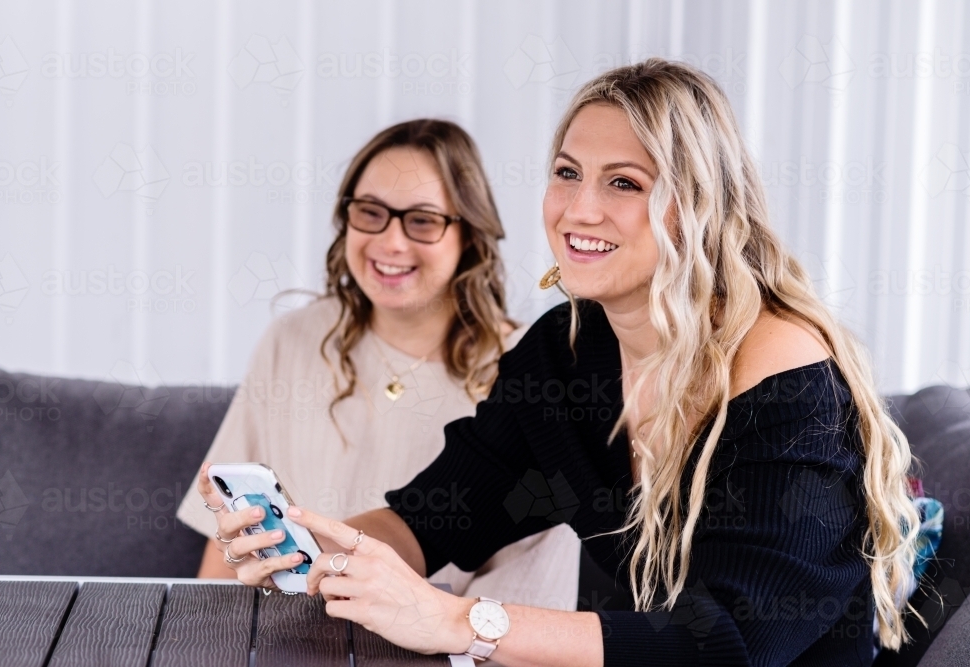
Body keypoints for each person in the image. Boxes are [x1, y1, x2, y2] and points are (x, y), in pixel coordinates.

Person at [199, 61, 920, 666]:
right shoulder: (567, 352)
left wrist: (458, 621)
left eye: (625, 183)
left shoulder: (783, 369)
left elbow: (734, 639)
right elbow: (440, 514)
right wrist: (319, 542)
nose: (578, 209)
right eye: (567, 172)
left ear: (697, 206)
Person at [178, 119, 582, 611]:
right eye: (370, 212)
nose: (391, 243)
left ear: (470, 235)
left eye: (422, 219)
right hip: (286, 640)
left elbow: (520, 619)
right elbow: (223, 561)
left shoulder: (536, 371)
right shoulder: (293, 339)